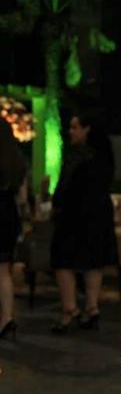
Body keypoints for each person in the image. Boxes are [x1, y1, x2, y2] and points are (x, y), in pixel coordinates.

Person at [50, 113, 118, 333]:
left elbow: (65, 186)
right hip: (99, 212)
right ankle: (92, 307)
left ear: (86, 129)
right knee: (93, 260)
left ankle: (69, 309)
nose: (70, 132)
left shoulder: (78, 156)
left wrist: (56, 205)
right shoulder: (104, 155)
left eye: (75, 127)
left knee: (62, 259)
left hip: (75, 213)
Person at [0, 119, 27, 340]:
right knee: (4, 270)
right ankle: (7, 317)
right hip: (8, 216)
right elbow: (23, 198)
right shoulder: (16, 160)